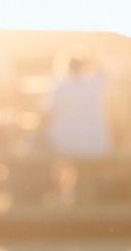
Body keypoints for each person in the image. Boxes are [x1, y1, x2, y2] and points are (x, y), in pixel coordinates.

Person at [45, 55, 112, 204]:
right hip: (94, 141)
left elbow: (49, 112)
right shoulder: (94, 84)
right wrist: (91, 60)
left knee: (64, 165)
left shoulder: (60, 86)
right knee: (87, 169)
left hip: (66, 141)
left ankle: (66, 196)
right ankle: (87, 198)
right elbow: (104, 72)